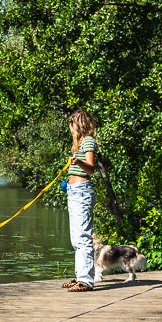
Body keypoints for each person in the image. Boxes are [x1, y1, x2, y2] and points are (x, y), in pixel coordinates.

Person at [62, 109, 98, 292]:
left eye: (71, 124)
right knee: (76, 238)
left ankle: (86, 280)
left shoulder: (89, 141)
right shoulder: (80, 144)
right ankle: (80, 275)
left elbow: (90, 168)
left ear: (77, 125)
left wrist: (78, 162)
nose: (70, 128)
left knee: (83, 236)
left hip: (82, 192)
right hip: (74, 191)